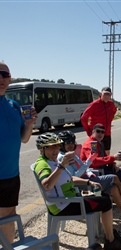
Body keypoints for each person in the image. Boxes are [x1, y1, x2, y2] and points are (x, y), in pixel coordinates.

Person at [34, 132, 121, 250]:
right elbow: (47, 185)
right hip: (64, 204)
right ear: (42, 149)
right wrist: (62, 166)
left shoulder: (54, 162)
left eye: (57, 146)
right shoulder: (42, 164)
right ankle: (111, 241)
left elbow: (71, 178)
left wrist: (89, 182)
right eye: (51, 147)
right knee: (106, 202)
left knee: (103, 195)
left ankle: (106, 233)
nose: (55, 150)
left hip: (70, 199)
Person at [58, 130, 121, 230]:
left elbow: (84, 167)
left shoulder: (72, 154)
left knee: (114, 188)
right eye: (68, 143)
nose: (71, 145)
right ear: (62, 144)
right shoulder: (63, 158)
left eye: (72, 142)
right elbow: (74, 176)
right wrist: (90, 160)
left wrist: (89, 172)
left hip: (89, 179)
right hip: (82, 184)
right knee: (114, 178)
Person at [0, 62, 38, 243]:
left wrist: (29, 124)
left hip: (11, 175)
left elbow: (24, 138)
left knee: (9, 216)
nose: (1, 78)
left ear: (9, 78)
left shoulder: (14, 105)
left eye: (4, 74)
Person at [81, 86, 117, 155]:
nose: (107, 96)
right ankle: (94, 166)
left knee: (107, 153)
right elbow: (84, 118)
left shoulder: (111, 104)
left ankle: (106, 165)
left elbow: (114, 111)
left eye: (109, 94)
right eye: (105, 94)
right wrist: (88, 131)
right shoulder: (94, 104)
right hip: (96, 134)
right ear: (101, 94)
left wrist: (109, 120)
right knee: (94, 153)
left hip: (107, 134)